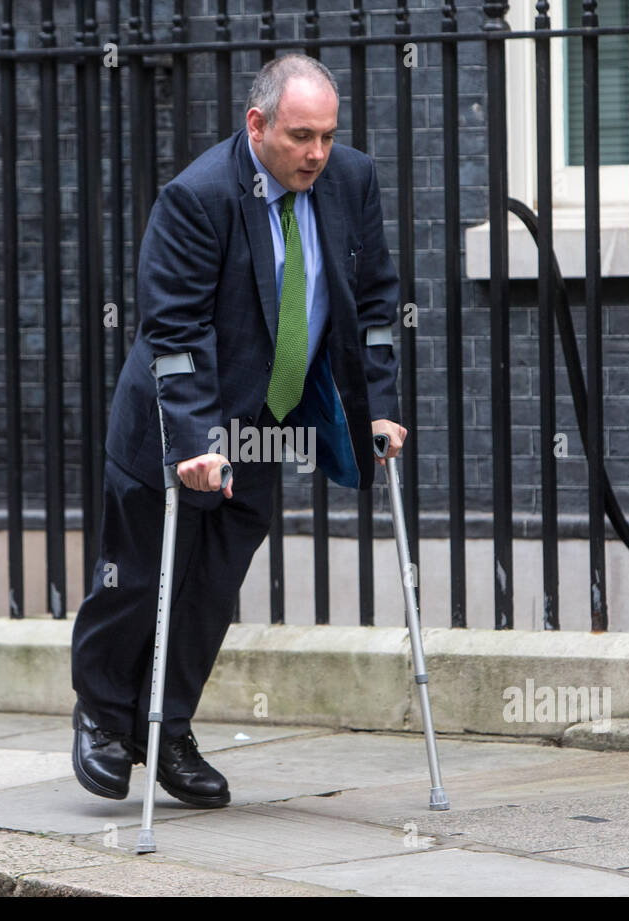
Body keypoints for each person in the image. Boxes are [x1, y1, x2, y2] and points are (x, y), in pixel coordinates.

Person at [70, 53, 405, 808]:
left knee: (211, 587)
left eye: (326, 135)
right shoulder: (199, 197)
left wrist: (377, 403)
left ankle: (169, 726)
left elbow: (376, 301)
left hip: (265, 422)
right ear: (257, 125)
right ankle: (100, 709)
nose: (316, 153)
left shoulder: (350, 180)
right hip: (175, 422)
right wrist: (193, 442)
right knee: (144, 578)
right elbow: (176, 332)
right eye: (300, 136)